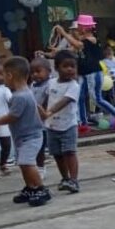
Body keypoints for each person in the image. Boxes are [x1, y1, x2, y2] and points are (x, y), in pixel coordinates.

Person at [0, 56, 53, 207]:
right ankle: (30, 188)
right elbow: (36, 107)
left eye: (4, 75)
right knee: (23, 164)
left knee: (27, 163)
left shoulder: (20, 96)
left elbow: (13, 116)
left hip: (30, 137)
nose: (3, 78)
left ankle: (41, 189)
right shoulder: (26, 92)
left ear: (10, 76)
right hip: (23, 137)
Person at [40, 51, 82, 193]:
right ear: (57, 68)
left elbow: (64, 101)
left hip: (68, 125)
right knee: (57, 154)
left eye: (73, 66)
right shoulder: (51, 83)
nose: (70, 69)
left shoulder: (74, 86)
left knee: (69, 152)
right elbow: (46, 99)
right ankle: (65, 178)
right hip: (52, 126)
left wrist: (49, 112)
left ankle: (74, 180)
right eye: (66, 66)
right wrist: (42, 112)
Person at [29, 58, 52, 179]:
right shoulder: (32, 85)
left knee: (41, 146)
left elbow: (48, 101)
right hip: (33, 120)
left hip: (43, 120)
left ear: (48, 71)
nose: (35, 75)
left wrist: (42, 110)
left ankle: (41, 168)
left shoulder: (50, 84)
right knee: (36, 147)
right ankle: (37, 166)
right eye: (32, 72)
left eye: (38, 71)